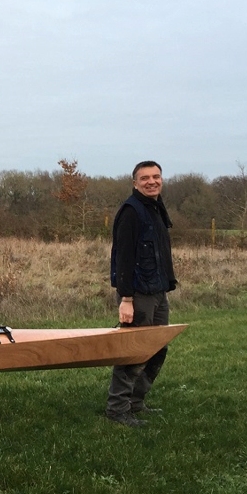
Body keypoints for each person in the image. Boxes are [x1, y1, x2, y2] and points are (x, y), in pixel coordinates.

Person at [106, 160, 177, 428]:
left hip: (157, 291)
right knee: (133, 352)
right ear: (135, 182)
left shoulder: (155, 208)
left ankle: (136, 403)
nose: (152, 181)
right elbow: (122, 258)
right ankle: (117, 409)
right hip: (137, 294)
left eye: (156, 176)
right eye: (145, 178)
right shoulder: (131, 212)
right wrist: (126, 299)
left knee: (157, 349)